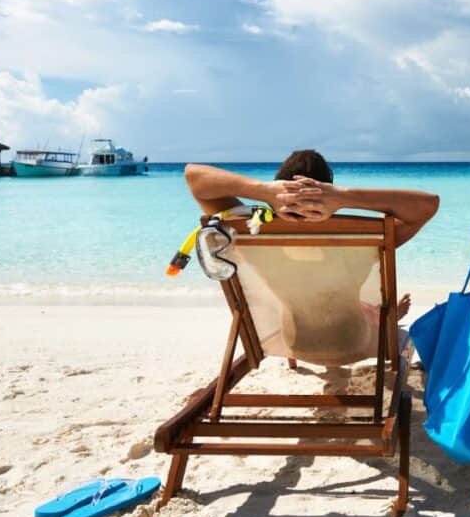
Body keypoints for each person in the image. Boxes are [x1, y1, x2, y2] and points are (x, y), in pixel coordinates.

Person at [184, 150, 439, 363]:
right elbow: (428, 205)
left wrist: (263, 191)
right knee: (400, 333)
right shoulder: (365, 239)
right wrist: (343, 197)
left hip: (296, 344)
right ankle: (387, 319)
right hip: (354, 343)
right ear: (328, 186)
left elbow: (194, 177)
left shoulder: (250, 235)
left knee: (315, 290)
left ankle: (382, 316)